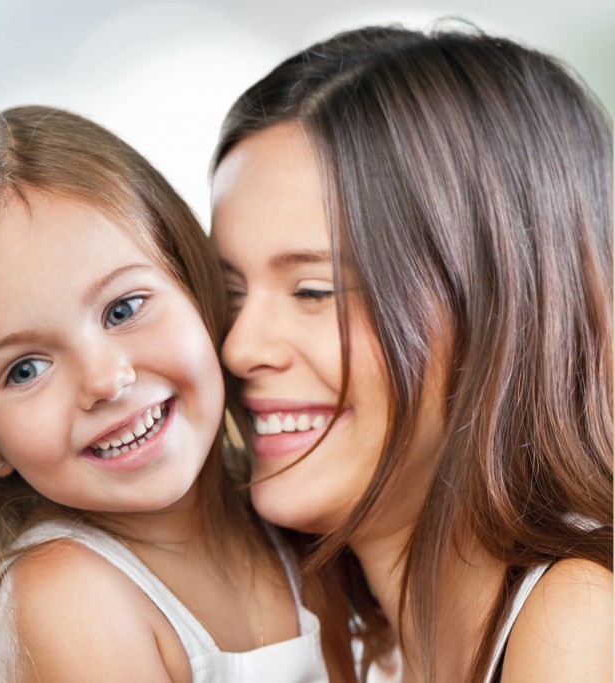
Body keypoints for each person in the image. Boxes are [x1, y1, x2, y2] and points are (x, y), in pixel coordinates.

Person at [0, 104, 334, 682]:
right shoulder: (68, 598)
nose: (104, 380)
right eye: (25, 369)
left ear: (195, 285)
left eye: (124, 309)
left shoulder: (282, 508)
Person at [209, 24, 613, 683]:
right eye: (229, 294)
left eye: (314, 290)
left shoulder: (582, 615)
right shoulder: (348, 645)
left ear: (495, 305)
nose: (239, 346)